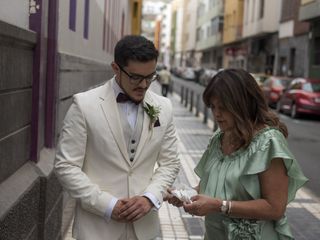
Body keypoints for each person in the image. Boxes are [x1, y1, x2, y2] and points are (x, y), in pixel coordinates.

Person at [54, 35, 181, 240]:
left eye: (150, 77)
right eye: (135, 77)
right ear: (115, 68)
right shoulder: (84, 105)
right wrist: (108, 205)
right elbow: (65, 166)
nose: (144, 85)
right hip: (97, 228)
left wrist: (150, 198)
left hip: (144, 229)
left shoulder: (163, 107)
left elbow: (171, 163)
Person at [165, 68, 307, 240]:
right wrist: (185, 195)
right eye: (212, 106)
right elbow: (211, 187)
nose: (217, 114)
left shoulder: (268, 143)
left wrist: (221, 206)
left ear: (243, 104)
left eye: (223, 108)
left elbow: (275, 207)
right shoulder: (219, 138)